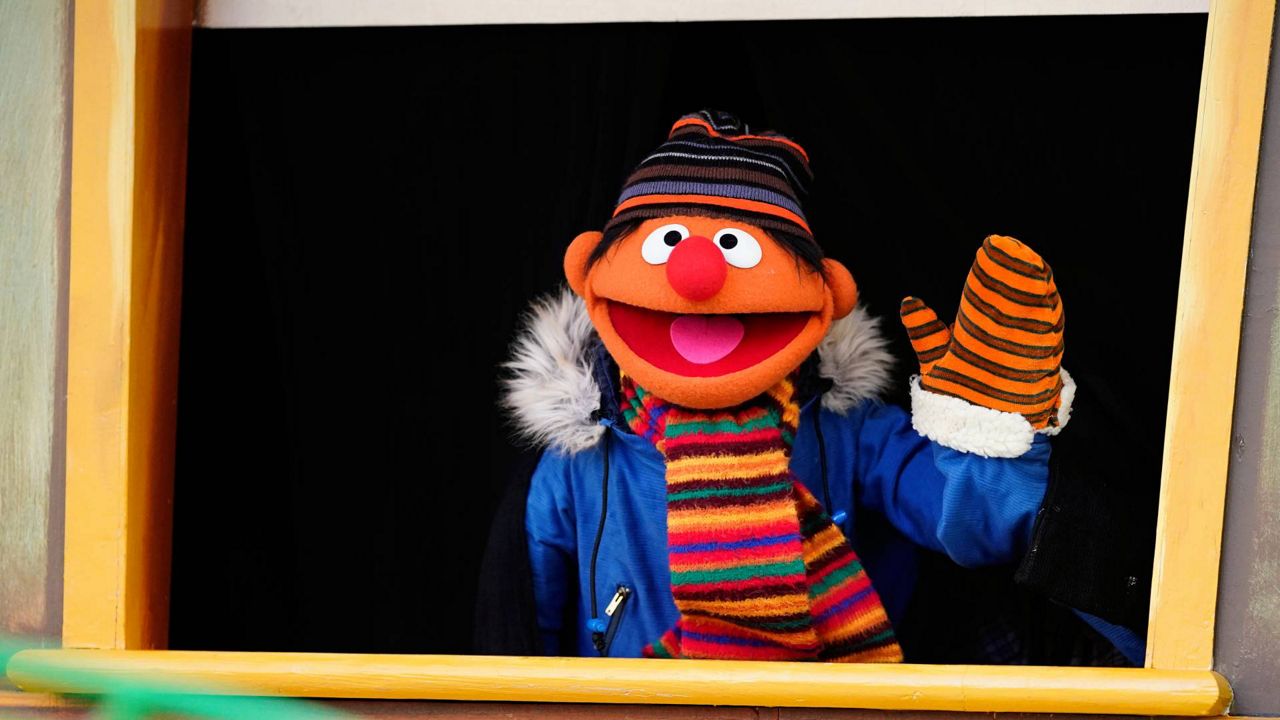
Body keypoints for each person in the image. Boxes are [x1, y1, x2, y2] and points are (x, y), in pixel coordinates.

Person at [485, 110, 1075, 661]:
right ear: (590, 266)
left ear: (827, 290)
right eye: (669, 240)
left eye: (732, 247)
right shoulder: (583, 456)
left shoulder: (848, 428)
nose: (698, 276)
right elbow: (524, 622)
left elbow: (973, 523)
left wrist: (994, 428)